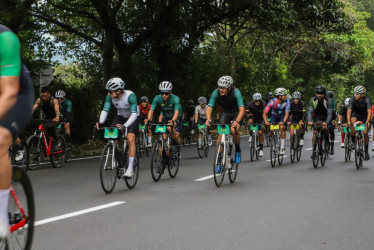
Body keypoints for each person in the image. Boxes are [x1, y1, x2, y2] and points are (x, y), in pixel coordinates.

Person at [0, 24, 34, 239]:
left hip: (17, 95)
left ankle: (1, 216)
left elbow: (9, 93)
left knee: (0, 138)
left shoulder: (6, 39)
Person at [96, 77, 138, 177]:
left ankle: (130, 168)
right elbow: (105, 110)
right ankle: (118, 156)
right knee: (112, 134)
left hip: (133, 117)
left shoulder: (130, 96)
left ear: (118, 91)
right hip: (120, 116)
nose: (108, 94)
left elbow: (134, 114)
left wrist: (125, 126)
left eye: (110, 92)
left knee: (130, 138)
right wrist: (100, 122)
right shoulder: (110, 96)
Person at [205, 75, 245, 173]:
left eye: (223, 88)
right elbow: (209, 107)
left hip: (236, 113)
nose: (221, 90)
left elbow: (242, 109)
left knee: (232, 129)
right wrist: (208, 119)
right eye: (219, 87)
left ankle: (238, 149)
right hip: (225, 113)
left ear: (229, 88)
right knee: (220, 135)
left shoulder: (236, 92)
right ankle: (219, 162)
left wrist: (237, 121)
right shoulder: (216, 92)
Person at [146, 81, 181, 146]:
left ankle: (174, 142)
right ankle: (162, 155)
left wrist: (172, 121)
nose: (164, 95)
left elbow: (176, 112)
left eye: (166, 93)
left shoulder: (176, 98)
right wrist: (148, 119)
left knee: (169, 128)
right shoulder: (157, 98)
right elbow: (151, 110)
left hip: (174, 117)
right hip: (165, 117)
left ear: (170, 92)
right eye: (162, 93)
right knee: (162, 138)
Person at [307, 85, 333, 159]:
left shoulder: (328, 100)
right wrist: (309, 120)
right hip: (317, 117)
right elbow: (310, 111)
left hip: (326, 116)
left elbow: (330, 113)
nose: (319, 95)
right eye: (318, 93)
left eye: (321, 94)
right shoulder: (313, 100)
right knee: (315, 131)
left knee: (324, 128)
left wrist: (327, 122)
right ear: (316, 93)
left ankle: (327, 141)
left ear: (324, 94)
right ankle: (314, 150)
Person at [347, 86, 371, 160]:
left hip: (364, 115)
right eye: (354, 94)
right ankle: (353, 143)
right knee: (351, 123)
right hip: (356, 114)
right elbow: (349, 111)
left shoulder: (367, 99)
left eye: (357, 94)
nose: (355, 95)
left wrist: (367, 122)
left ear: (362, 94)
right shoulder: (352, 99)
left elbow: (369, 112)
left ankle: (366, 152)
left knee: (365, 132)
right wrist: (348, 122)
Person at [33, 87, 61, 151]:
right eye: (42, 95)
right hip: (47, 118)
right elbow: (34, 107)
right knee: (39, 127)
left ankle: (56, 142)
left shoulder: (54, 100)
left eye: (45, 96)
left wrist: (57, 117)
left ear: (49, 94)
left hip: (56, 118)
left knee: (49, 126)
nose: (43, 97)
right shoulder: (39, 100)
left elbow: (56, 108)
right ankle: (41, 147)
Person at [263, 88, 290, 155]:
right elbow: (265, 113)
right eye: (284, 95)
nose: (286, 96)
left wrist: (283, 121)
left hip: (282, 115)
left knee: (282, 128)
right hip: (274, 115)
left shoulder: (287, 102)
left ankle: (282, 147)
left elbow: (287, 114)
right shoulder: (272, 102)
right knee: (271, 130)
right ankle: (273, 144)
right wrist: (266, 121)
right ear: (280, 96)